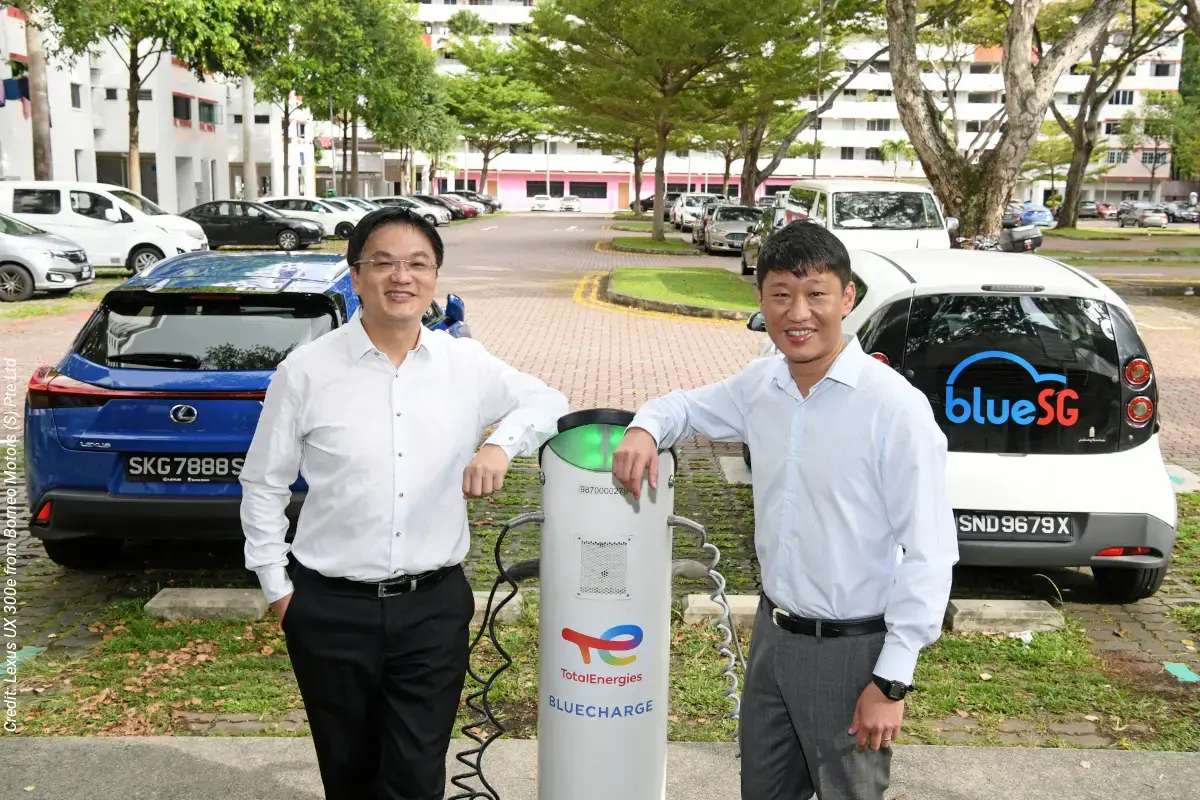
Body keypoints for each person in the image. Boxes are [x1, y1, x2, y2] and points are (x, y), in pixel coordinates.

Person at [612, 221, 958, 800]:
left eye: (816, 293)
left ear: (847, 298)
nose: (798, 312)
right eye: (781, 294)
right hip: (774, 640)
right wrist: (645, 429)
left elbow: (930, 549)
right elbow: (683, 407)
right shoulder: (761, 385)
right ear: (762, 300)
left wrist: (891, 680)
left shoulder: (893, 407)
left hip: (853, 651)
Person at [240, 206, 568, 800]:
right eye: (383, 262)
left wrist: (498, 446)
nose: (401, 277)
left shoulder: (463, 364)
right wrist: (278, 590)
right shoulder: (306, 371)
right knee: (349, 773)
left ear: (435, 277)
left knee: (417, 775)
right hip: (329, 609)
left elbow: (549, 399)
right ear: (355, 273)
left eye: (418, 264)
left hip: (432, 608)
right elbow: (264, 483)